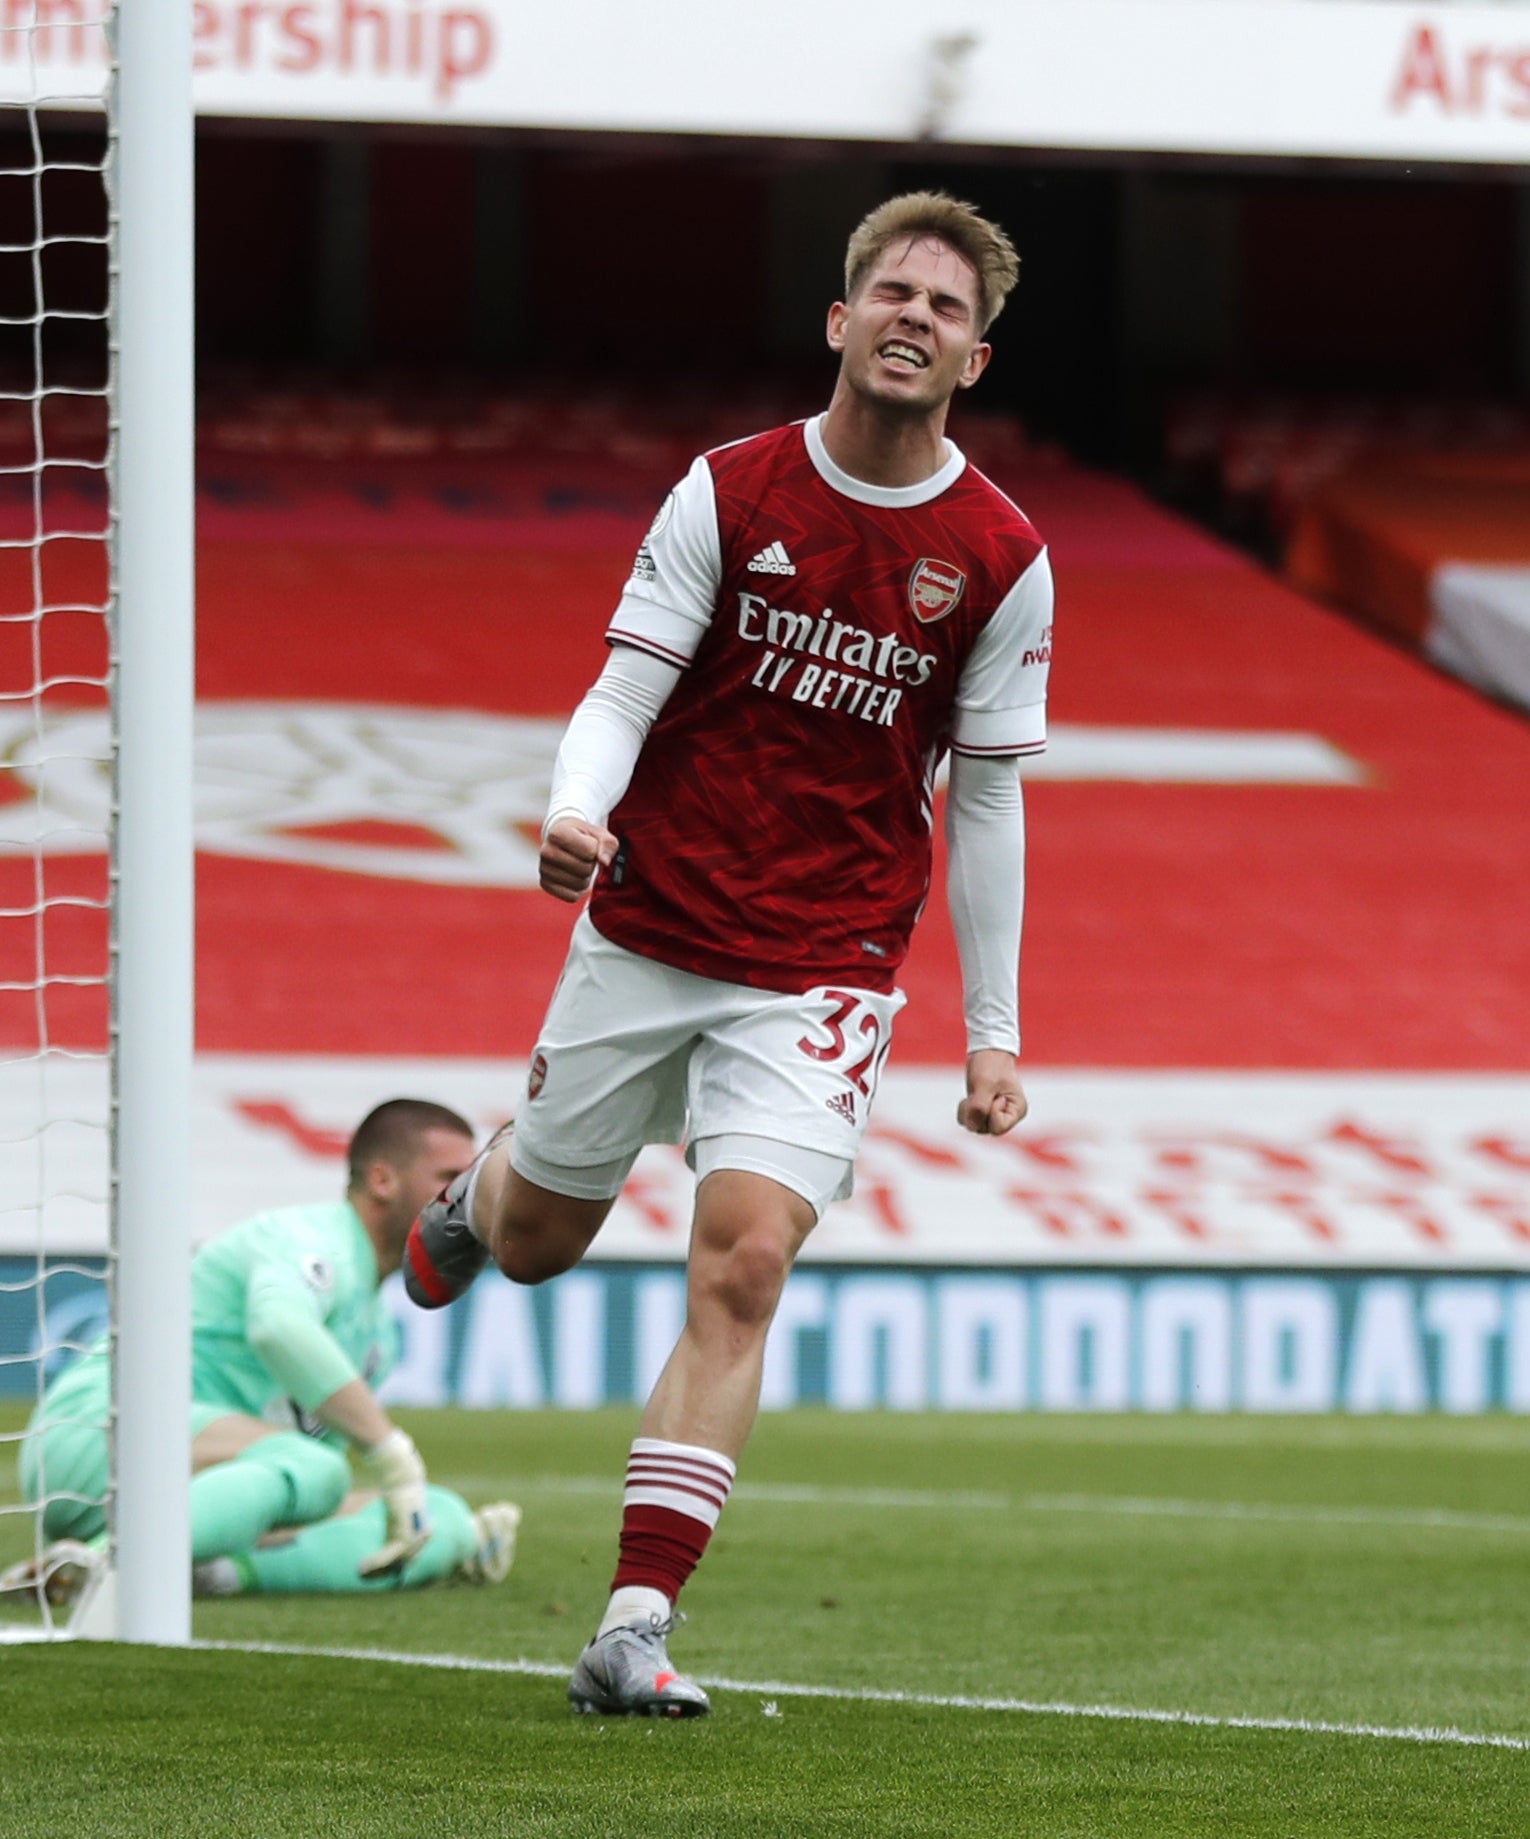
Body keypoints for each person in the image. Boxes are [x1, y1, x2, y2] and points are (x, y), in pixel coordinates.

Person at [401, 193, 1050, 1716]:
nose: (912, 318)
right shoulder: (729, 490)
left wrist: (997, 1029)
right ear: (839, 320)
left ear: (976, 354)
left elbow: (992, 795)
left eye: (943, 308)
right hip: (649, 924)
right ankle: (479, 1190)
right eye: (890, 291)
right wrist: (575, 808)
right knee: (544, 1237)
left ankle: (634, 1616)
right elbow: (621, 691)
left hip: (825, 960)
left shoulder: (1001, 555)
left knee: (743, 1256)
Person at [0, 1098, 519, 1607]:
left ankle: (208, 1572)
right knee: (319, 1469)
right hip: (96, 1436)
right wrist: (389, 1451)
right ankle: (108, 1564)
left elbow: (293, 1500)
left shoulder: (380, 1334)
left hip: (193, 1494)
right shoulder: (307, 1239)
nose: (464, 1199)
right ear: (383, 1181)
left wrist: (421, 1511)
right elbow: (277, 1326)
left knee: (440, 1517)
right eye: (449, 1179)